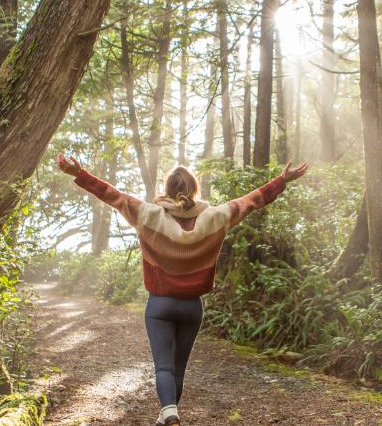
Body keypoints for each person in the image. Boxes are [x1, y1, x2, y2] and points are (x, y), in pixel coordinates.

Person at [56, 154, 308, 426]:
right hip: (192, 308)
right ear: (194, 190)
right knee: (178, 369)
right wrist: (282, 180)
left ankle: (169, 413)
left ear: (167, 190)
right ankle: (167, 416)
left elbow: (112, 195)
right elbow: (251, 202)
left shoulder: (148, 215)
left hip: (159, 306)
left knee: (163, 366)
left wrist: (79, 174)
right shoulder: (215, 217)